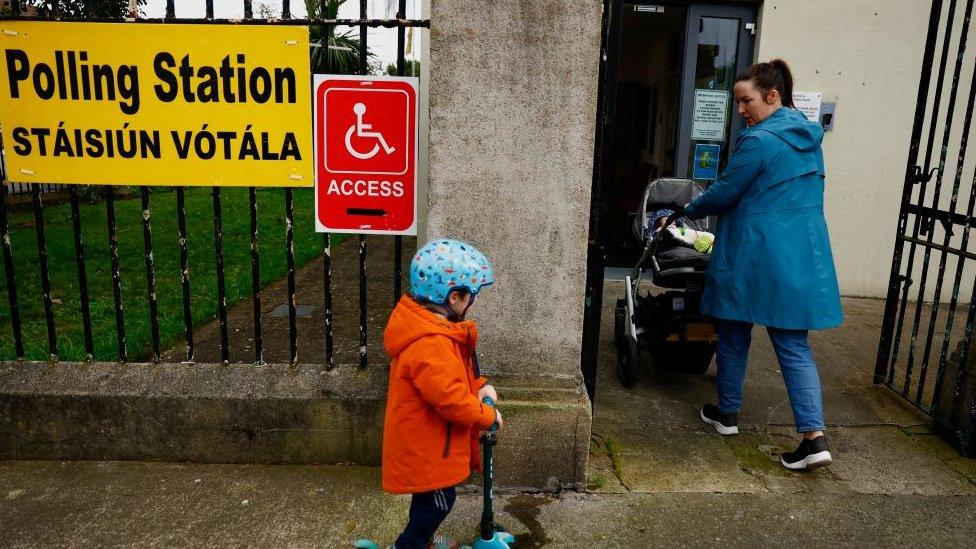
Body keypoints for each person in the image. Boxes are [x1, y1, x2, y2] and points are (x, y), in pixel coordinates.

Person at [675, 59, 843, 471]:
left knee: (733, 330)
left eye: (746, 100)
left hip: (754, 253)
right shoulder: (808, 139)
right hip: (799, 254)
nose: (741, 110)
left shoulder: (758, 141)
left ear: (772, 96)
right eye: (736, 102)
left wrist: (684, 210)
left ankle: (728, 414)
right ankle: (813, 437)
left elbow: (725, 193)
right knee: (792, 345)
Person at [381, 239, 502, 549]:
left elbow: (453, 379)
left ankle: (422, 540)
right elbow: (451, 400)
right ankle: (409, 545)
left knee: (428, 500)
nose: (472, 303)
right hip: (426, 448)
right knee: (438, 501)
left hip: (429, 443)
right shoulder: (430, 343)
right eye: (470, 296)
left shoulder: (435, 329)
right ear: (454, 296)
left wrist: (478, 386)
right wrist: (487, 416)